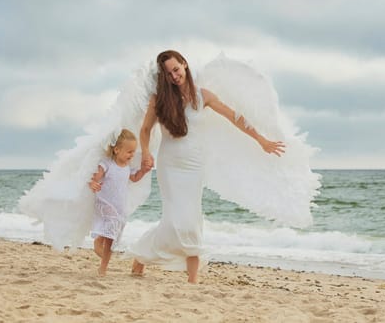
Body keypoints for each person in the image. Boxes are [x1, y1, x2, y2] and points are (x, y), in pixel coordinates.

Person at [128, 50, 285, 283]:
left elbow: (236, 117)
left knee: (190, 219)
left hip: (194, 166)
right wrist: (146, 153)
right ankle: (140, 258)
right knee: (173, 219)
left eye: (176, 70)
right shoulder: (159, 100)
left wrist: (261, 140)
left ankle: (191, 280)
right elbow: (145, 130)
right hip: (170, 165)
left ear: (185, 65)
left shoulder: (203, 97)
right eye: (169, 74)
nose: (174, 76)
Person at [88, 128, 151, 276]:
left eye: (133, 151)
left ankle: (103, 267)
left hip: (119, 206)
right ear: (116, 150)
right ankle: (98, 241)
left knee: (110, 240)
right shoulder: (107, 164)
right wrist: (93, 183)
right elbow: (95, 178)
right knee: (109, 233)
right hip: (105, 203)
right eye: (129, 151)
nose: (132, 155)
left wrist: (143, 171)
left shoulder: (127, 167)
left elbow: (135, 178)